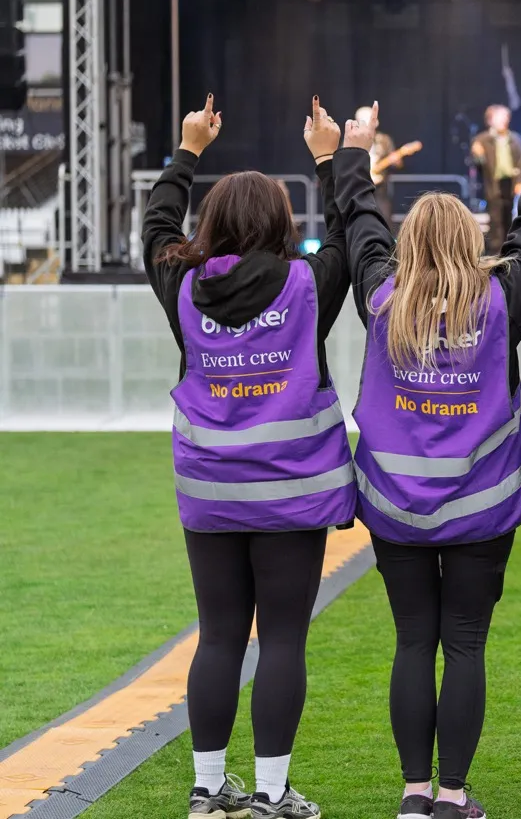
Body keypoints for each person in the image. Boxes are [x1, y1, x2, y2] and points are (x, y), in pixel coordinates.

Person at [333, 79, 521, 819]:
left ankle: (412, 792)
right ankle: (453, 794)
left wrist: (349, 154)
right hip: (482, 508)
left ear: (408, 244)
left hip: (397, 505)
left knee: (412, 643)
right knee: (464, 645)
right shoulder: (500, 299)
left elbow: (361, 227)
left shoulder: (382, 298)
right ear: (469, 240)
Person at [141, 94, 357, 819]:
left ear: (213, 224)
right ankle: (269, 793)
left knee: (220, 636)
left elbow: (155, 228)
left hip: (210, 491)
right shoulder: (307, 285)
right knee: (283, 639)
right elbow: (348, 237)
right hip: (293, 493)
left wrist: (188, 150)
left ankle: (207, 789)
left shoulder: (183, 287)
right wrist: (327, 159)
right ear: (279, 223)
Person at [470, 105, 521, 255]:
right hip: (493, 185)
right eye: (500, 117)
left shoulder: (514, 139)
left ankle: (509, 251)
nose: (504, 120)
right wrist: (478, 155)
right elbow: (478, 165)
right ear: (490, 120)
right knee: (495, 220)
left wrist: (520, 181)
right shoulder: (482, 140)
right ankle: (496, 253)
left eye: (505, 117)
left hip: (510, 183)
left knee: (509, 218)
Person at [356, 105, 399, 224]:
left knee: (385, 217)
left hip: (379, 186)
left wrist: (395, 160)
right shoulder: (352, 139)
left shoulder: (383, 140)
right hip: (359, 185)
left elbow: (397, 163)